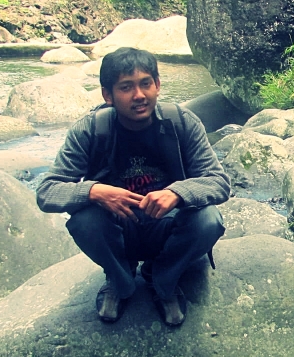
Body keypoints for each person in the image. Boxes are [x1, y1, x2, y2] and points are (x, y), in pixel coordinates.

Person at [36, 47, 230, 326]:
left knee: (209, 219)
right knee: (83, 220)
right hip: (119, 230)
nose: (139, 95)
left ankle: (162, 277)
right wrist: (93, 191)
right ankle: (120, 279)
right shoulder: (90, 130)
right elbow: (47, 192)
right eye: (126, 87)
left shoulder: (182, 123)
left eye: (145, 84)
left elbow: (219, 183)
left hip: (167, 227)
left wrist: (177, 193)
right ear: (107, 95)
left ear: (158, 85)